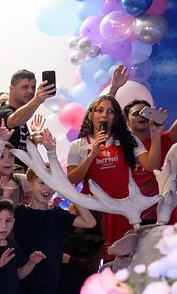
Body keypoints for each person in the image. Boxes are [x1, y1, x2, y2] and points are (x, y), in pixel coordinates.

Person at [3, 147, 96, 294]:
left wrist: (70, 193)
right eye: (42, 182)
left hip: (49, 281)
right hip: (23, 278)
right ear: (30, 185)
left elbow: (89, 221)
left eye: (51, 184)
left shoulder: (58, 215)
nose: (47, 188)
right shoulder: (19, 213)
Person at [66, 94, 156, 255]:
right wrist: (92, 155)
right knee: (89, 259)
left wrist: (156, 134)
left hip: (121, 209)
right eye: (99, 110)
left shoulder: (128, 141)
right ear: (90, 115)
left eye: (110, 111)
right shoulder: (78, 145)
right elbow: (72, 180)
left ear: (115, 118)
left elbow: (151, 166)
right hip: (92, 210)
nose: (105, 115)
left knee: (122, 257)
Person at [0, 69, 55, 147]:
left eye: (33, 87)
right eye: (25, 87)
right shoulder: (1, 112)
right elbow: (14, 119)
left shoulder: (23, 118)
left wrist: (34, 137)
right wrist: (37, 100)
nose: (31, 91)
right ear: (12, 89)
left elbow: (23, 149)